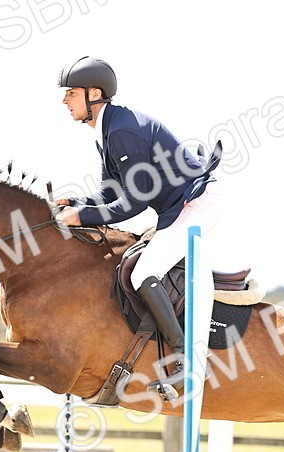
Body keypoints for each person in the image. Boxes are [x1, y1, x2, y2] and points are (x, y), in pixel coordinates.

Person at [53, 56, 222, 392]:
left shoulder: (122, 130)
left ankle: (188, 362)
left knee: (142, 273)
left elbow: (133, 202)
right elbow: (109, 191)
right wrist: (77, 204)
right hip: (181, 206)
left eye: (71, 93)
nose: (64, 100)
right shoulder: (108, 130)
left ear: (94, 93)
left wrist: (82, 217)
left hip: (197, 204)